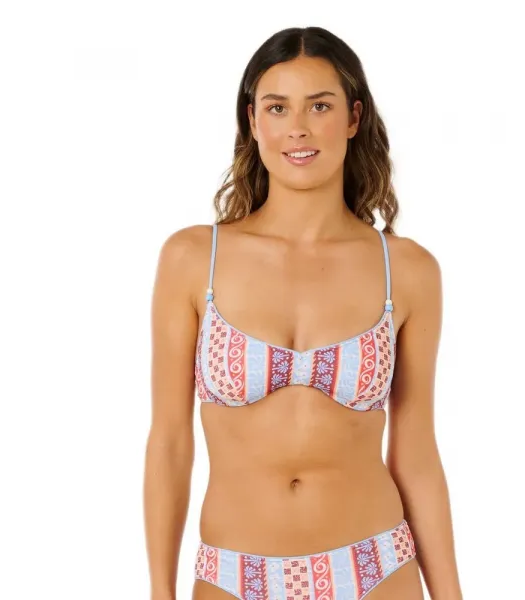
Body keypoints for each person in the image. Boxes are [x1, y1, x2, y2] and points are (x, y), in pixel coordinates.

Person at [144, 26, 463, 600]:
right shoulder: (193, 259)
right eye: (277, 107)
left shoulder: (408, 270)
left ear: (353, 117)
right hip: (235, 575)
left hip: (376, 566)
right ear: (252, 121)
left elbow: (416, 452)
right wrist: (159, 592)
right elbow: (170, 443)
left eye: (320, 106)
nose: (298, 127)